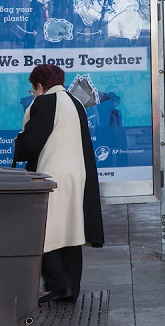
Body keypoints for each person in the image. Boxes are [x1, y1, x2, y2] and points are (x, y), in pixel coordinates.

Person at [13, 64, 104, 303]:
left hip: (51, 176)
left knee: (44, 230)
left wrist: (17, 143)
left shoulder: (45, 103)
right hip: (77, 176)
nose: (33, 93)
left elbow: (30, 143)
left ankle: (57, 284)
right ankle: (70, 288)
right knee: (70, 232)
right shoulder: (74, 103)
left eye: (33, 88)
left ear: (41, 86)